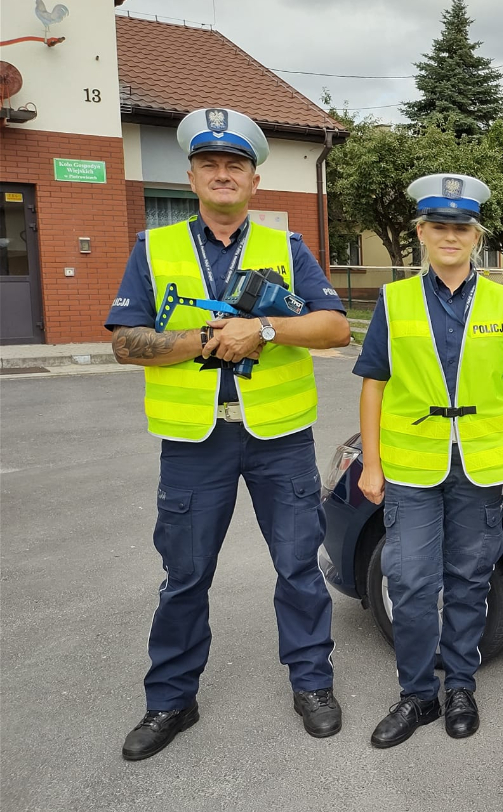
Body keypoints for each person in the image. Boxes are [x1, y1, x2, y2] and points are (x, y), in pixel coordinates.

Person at [107, 107, 353, 761]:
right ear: (191, 175)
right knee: (184, 575)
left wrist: (265, 329)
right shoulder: (153, 249)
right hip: (195, 442)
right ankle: (171, 700)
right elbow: (126, 344)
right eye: (211, 163)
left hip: (278, 439)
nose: (223, 174)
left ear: (254, 181)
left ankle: (312, 684)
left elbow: (334, 328)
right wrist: (203, 341)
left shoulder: (285, 247)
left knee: (299, 567)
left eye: (235, 164)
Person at [353, 173, 503, 749]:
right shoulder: (395, 299)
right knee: (409, 581)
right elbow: (374, 384)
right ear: (422, 232)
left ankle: (460, 686)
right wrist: (371, 462)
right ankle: (416, 695)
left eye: (461, 227)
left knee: (469, 580)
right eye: (440, 226)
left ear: (476, 235)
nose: (451, 236)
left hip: (482, 468)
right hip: (411, 465)